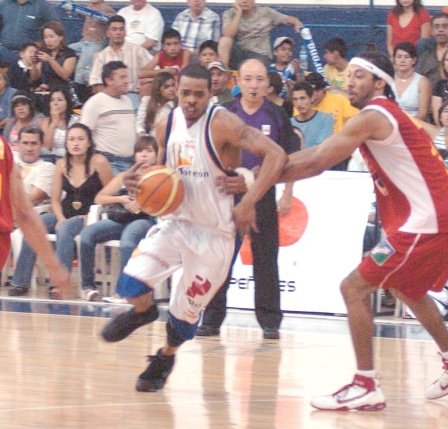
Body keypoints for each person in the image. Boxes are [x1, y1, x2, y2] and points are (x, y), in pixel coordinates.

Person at [279, 50, 448, 411]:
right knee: (406, 287)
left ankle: (366, 384)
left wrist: (257, 175)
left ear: (379, 83)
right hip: (442, 213)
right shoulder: (383, 115)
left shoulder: (375, 114)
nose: (349, 82)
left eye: (359, 76)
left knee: (353, 289)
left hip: (432, 217)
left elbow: (317, 160)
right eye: (349, 76)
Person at [100, 63, 287, 392]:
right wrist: (139, 181)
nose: (190, 100)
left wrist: (248, 199)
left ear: (210, 93)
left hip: (215, 234)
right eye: (185, 92)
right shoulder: (166, 122)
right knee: (131, 284)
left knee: (183, 318)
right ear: (175, 89)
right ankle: (144, 313)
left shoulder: (224, 123)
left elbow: (276, 155)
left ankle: (165, 357)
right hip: (175, 224)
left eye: (198, 94)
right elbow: (161, 170)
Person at [196, 59, 299, 340]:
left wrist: (288, 193)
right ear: (237, 82)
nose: (254, 85)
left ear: (268, 84)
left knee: (266, 259)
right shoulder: (224, 114)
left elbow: (290, 157)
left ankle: (270, 321)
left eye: (260, 79)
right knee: (220, 257)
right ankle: (211, 319)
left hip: (263, 194)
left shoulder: (277, 115)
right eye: (248, 79)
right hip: (226, 196)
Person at [9, 123, 112, 299]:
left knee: (65, 228)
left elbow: (110, 193)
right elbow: (55, 200)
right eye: (71, 139)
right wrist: (60, 217)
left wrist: (92, 215)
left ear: (89, 142)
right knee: (35, 224)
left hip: (89, 215)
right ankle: (20, 282)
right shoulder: (61, 164)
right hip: (64, 212)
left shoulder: (99, 162)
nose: (76, 143)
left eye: (80, 139)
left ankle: (57, 285)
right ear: (66, 143)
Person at [79, 136, 157, 301]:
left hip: (145, 220)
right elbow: (99, 198)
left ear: (156, 155)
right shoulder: (124, 176)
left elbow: (164, 204)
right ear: (134, 155)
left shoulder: (159, 177)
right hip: (121, 218)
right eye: (140, 151)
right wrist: (120, 199)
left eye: (149, 151)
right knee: (87, 234)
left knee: (127, 241)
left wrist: (142, 204)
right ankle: (87, 287)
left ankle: (122, 292)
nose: (144, 155)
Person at [0, 128, 70, 299]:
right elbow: (24, 211)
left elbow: (25, 208)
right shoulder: (3, 148)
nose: (29, 147)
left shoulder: (45, 167)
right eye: (25, 143)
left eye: (33, 143)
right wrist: (54, 265)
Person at [80, 61, 137, 175]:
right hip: (109, 162)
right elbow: (83, 134)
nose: (127, 81)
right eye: (122, 77)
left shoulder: (128, 101)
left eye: (127, 77)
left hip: (131, 161)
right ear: (109, 80)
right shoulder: (95, 102)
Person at [88, 15, 153, 110]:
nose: (118, 32)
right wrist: (108, 99)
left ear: (125, 32)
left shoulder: (138, 51)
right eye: (114, 29)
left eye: (121, 29)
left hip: (133, 96)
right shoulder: (101, 56)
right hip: (109, 97)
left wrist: (146, 85)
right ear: (108, 33)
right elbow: (96, 82)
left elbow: (156, 71)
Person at [218, 0, 303, 69]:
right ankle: (224, 73)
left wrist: (297, 23)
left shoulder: (266, 12)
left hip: (260, 54)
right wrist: (238, 13)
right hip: (238, 53)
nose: (244, 1)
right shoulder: (229, 13)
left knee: (254, 66)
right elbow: (228, 34)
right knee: (225, 40)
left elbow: (291, 19)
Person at [31, 21, 77, 115]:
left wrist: (50, 60)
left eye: (51, 37)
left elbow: (65, 75)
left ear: (60, 37)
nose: (48, 40)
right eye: (45, 37)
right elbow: (35, 77)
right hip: (47, 90)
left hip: (64, 91)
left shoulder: (69, 53)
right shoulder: (44, 52)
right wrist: (33, 64)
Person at [68, 0, 116, 85]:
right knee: (65, 51)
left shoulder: (107, 9)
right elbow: (80, 13)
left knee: (81, 67)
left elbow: (114, 20)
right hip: (82, 42)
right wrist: (72, 9)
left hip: (95, 43)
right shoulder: (88, 8)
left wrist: (103, 16)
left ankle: (78, 88)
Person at [0, 0, 61, 66]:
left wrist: (42, 44)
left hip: (31, 54)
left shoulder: (43, 6)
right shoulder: (5, 4)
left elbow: (57, 29)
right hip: (4, 50)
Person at [390, 42, 431, 120]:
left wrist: (404, 124)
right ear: (394, 59)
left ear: (414, 60)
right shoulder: (388, 79)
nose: (402, 60)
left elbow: (423, 114)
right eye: (399, 57)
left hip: (414, 123)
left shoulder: (422, 82)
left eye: (406, 57)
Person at [291, 81, 334, 148]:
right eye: (295, 99)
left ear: (311, 98)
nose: (299, 103)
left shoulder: (325, 118)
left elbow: (322, 147)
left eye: (302, 98)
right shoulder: (289, 123)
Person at [41, 86, 79, 160]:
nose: (55, 103)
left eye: (60, 100)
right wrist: (54, 122)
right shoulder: (46, 122)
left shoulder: (76, 120)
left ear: (67, 102)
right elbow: (46, 147)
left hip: (71, 157)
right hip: (52, 158)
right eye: (52, 100)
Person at [135, 72, 176, 138]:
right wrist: (144, 136)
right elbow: (139, 124)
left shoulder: (175, 106)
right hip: (149, 140)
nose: (172, 89)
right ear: (158, 89)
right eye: (166, 87)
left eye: (173, 85)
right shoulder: (147, 101)